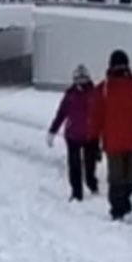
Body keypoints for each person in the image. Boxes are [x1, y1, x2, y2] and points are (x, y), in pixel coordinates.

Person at [92, 49, 132, 222]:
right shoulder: (103, 89)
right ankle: (117, 211)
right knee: (117, 179)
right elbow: (96, 118)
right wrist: (93, 143)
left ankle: (122, 203)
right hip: (113, 143)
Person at [47, 64, 101, 201]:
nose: (81, 81)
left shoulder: (95, 93)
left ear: (88, 78)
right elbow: (61, 114)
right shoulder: (70, 95)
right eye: (78, 78)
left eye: (84, 78)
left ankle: (92, 183)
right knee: (74, 165)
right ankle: (76, 193)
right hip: (73, 136)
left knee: (90, 165)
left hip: (91, 136)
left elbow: (102, 115)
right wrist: (52, 130)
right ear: (74, 79)